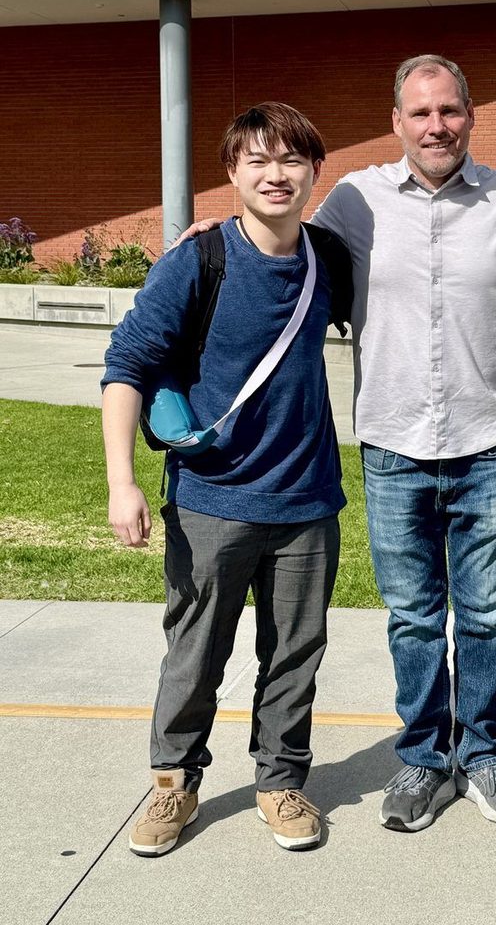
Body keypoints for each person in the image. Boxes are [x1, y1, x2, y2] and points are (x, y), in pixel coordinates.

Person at [102, 102, 351, 856]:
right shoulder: (198, 260)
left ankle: (281, 780)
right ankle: (173, 783)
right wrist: (123, 482)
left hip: (307, 499)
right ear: (232, 174)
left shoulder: (329, 259)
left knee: (295, 651)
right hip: (212, 498)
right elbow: (127, 367)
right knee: (196, 651)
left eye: (292, 161)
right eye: (258, 161)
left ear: (314, 171)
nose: (276, 175)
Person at [311, 55, 496, 831]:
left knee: (484, 615)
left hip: (485, 441)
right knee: (411, 616)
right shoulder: (352, 201)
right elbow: (284, 257)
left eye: (449, 111)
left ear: (470, 115)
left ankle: (480, 754)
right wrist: (215, 232)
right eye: (420, 112)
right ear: (396, 122)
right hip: (394, 443)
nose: (436, 125)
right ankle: (421, 760)